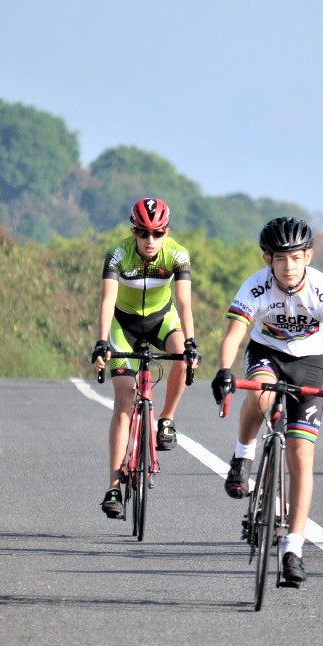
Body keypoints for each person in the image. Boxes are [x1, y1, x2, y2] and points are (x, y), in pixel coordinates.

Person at [211, 217, 323, 586]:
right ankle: (243, 456)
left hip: (308, 363)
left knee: (302, 456)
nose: (288, 267)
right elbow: (233, 337)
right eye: (279, 259)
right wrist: (225, 370)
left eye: (295, 258)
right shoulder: (256, 287)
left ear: (307, 256)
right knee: (261, 393)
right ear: (267, 259)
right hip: (267, 353)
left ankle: (293, 548)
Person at [91, 198, 200, 520]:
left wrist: (191, 343)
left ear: (166, 232)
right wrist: (100, 343)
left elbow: (184, 302)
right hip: (123, 325)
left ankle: (165, 419)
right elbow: (107, 300)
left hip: (161, 320)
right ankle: (113, 486)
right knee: (124, 398)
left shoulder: (177, 254)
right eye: (143, 233)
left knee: (181, 355)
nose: (150, 241)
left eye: (157, 233)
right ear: (133, 232)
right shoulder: (118, 254)